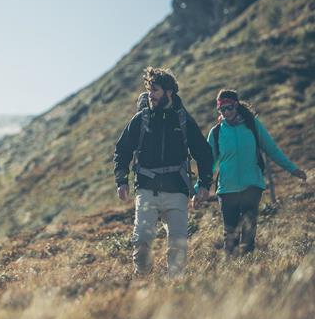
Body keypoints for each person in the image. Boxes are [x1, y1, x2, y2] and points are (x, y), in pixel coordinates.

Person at [114, 67, 214, 277]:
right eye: (149, 90)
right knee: (141, 240)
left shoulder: (183, 119)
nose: (150, 94)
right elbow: (122, 149)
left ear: (169, 92)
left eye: (155, 90)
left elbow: (203, 153)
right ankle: (143, 278)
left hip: (177, 190)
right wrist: (121, 180)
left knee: (178, 246)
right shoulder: (141, 119)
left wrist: (204, 184)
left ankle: (174, 288)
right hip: (146, 190)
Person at [205, 89, 307, 256]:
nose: (226, 112)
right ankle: (232, 274)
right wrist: (200, 187)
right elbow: (209, 163)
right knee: (230, 235)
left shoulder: (252, 126)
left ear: (236, 105)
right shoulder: (216, 133)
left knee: (248, 233)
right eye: (222, 110)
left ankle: (248, 270)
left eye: (229, 108)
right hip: (227, 190)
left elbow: (272, 149)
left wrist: (292, 169)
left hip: (252, 186)